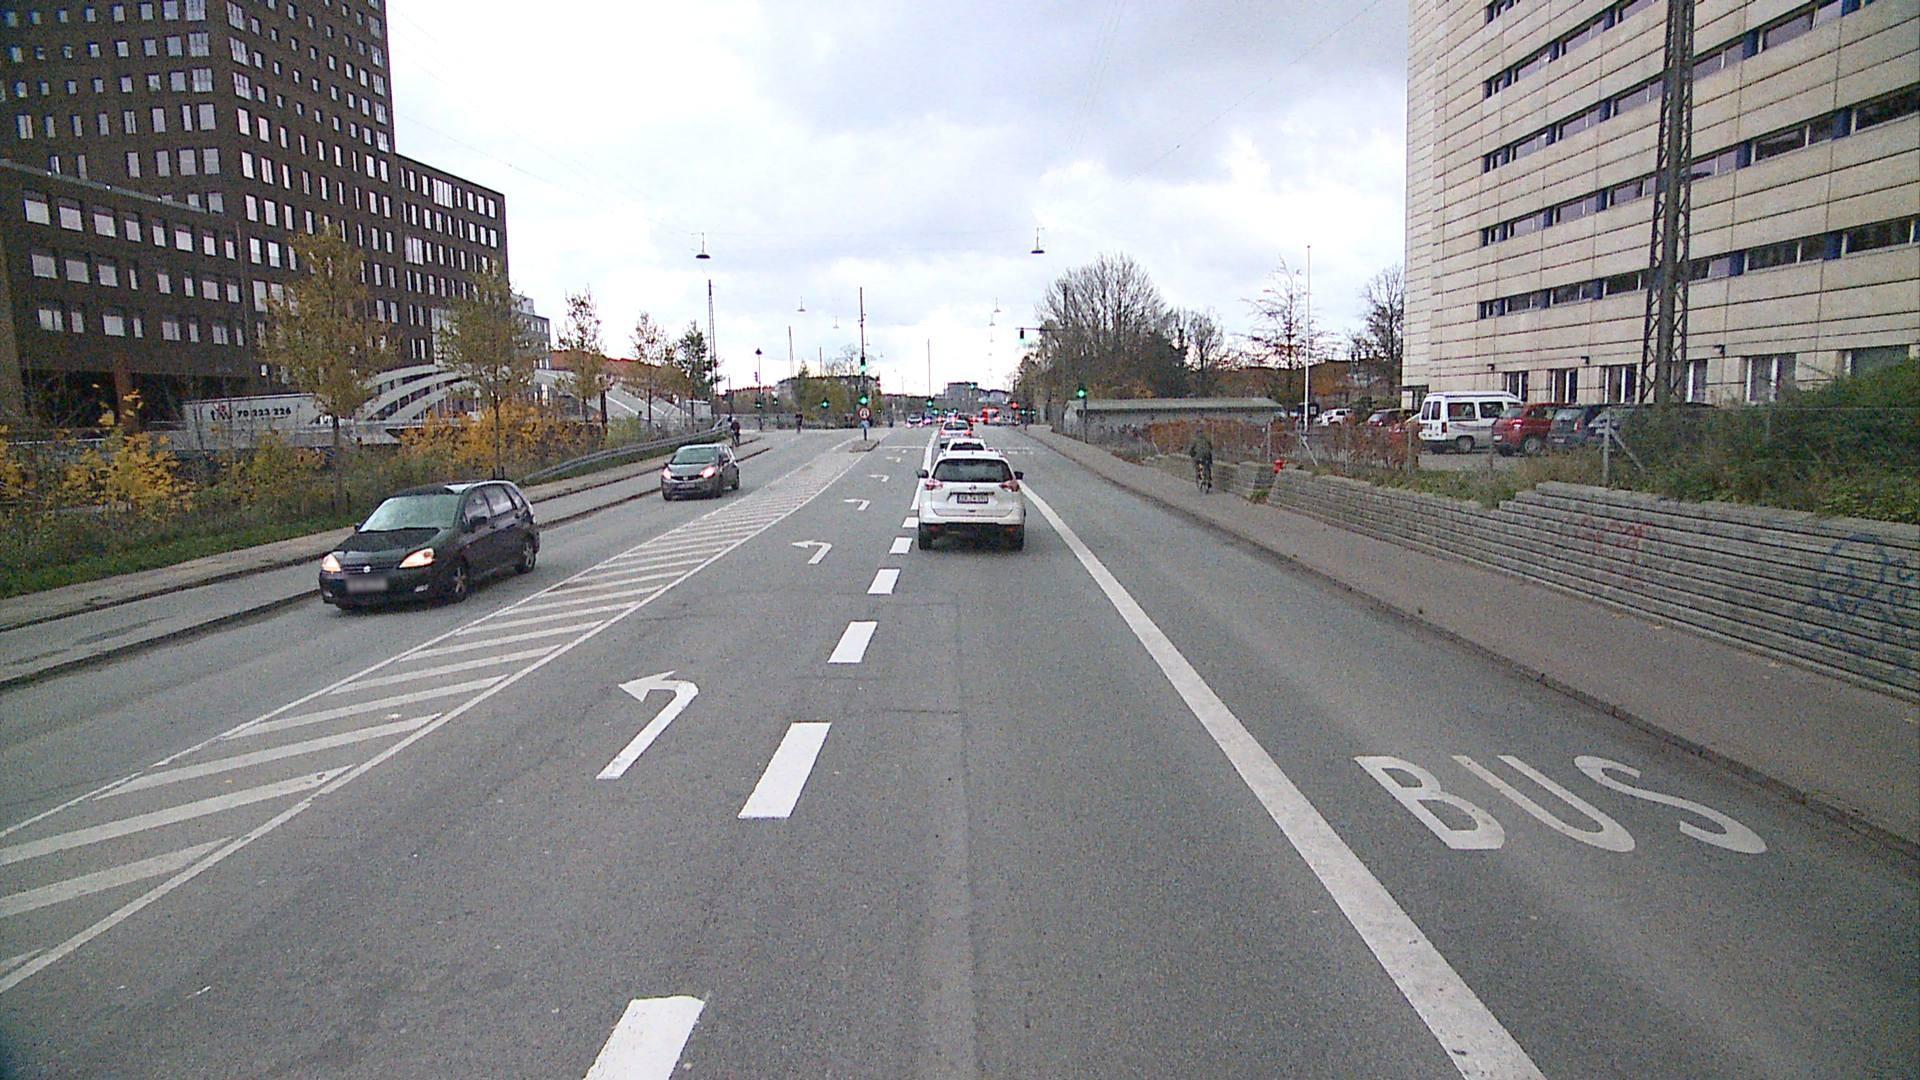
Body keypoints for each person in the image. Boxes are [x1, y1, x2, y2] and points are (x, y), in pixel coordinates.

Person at [1188, 424, 1214, 492]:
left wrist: (1191, 454)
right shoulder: (1207, 438)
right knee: (1208, 465)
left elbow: (1191, 449)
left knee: (1197, 465)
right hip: (1207, 456)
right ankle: (1209, 479)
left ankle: (1199, 475)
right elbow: (1211, 447)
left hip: (1199, 457)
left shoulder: (1195, 439)